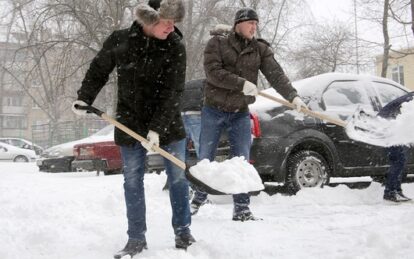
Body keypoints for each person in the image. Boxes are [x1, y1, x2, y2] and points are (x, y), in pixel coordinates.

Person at [71, 0, 195, 257]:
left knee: (179, 178)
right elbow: (99, 69)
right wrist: (85, 97)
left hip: (168, 124)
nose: (172, 27)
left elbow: (174, 91)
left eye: (175, 21)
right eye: (166, 21)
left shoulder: (175, 45)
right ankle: (136, 238)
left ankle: (183, 232)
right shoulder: (121, 40)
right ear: (149, 19)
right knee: (132, 181)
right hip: (130, 122)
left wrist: (158, 129)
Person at [190, 7, 307, 221]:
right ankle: (198, 199)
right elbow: (213, 73)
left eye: (256, 23)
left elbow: (276, 74)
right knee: (205, 157)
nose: (254, 27)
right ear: (238, 24)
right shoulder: (217, 43)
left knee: (241, 161)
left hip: (240, 112)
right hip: (213, 109)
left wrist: (293, 96)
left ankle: (242, 209)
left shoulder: (259, 49)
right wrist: (241, 83)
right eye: (250, 23)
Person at [377, 92, 413, 203]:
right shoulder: (412, 100)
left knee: (400, 160)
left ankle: (396, 191)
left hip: (393, 125)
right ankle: (390, 193)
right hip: (388, 126)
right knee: (398, 160)